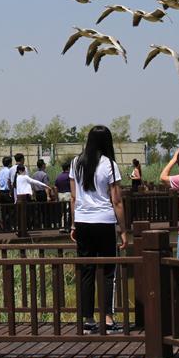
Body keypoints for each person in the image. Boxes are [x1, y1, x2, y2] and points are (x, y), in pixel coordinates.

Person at [69, 125, 127, 333]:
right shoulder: (110, 165)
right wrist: (123, 230)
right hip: (104, 221)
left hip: (83, 221)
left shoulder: (76, 162)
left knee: (87, 271)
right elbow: (117, 201)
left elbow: (73, 197)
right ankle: (109, 319)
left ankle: (88, 319)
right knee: (107, 270)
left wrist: (74, 224)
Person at [54, 161, 72, 233]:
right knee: (68, 211)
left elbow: (55, 187)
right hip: (68, 194)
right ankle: (67, 227)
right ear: (68, 168)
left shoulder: (59, 176)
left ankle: (62, 226)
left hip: (60, 194)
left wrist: (56, 197)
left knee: (63, 212)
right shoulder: (69, 176)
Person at [0, 156, 14, 230]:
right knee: (10, 210)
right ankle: (8, 226)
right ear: (10, 163)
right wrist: (11, 191)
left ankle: (3, 226)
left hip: (1, 192)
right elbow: (9, 181)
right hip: (7, 192)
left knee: (3, 210)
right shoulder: (9, 171)